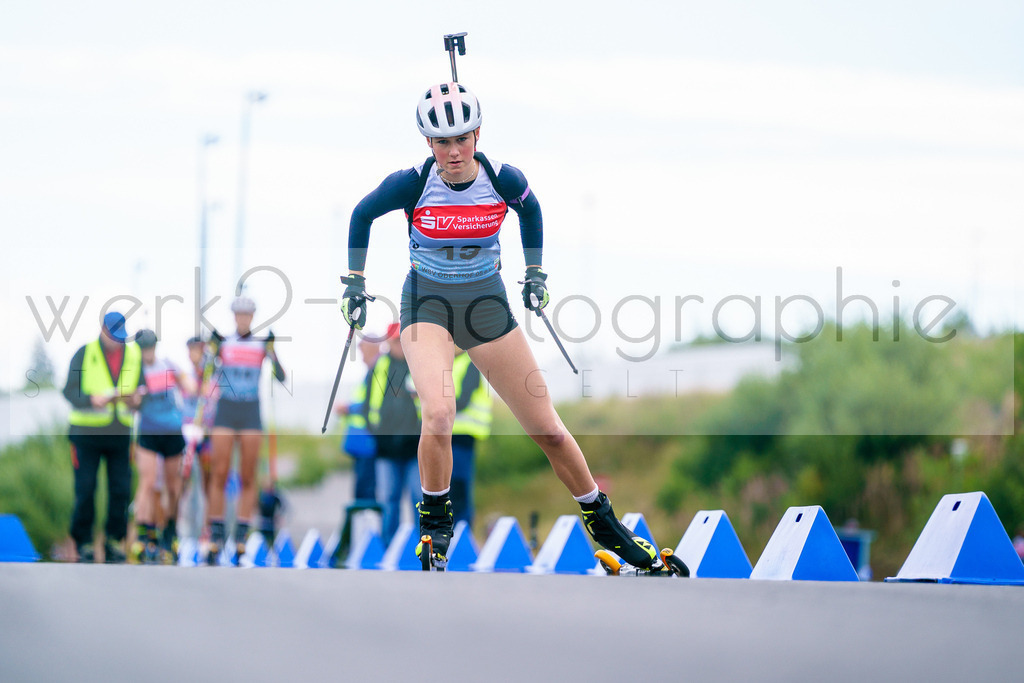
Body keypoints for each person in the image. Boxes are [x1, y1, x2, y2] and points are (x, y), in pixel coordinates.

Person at [340, 82, 657, 568]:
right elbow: (362, 214)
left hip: (486, 303)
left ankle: (604, 521)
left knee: (547, 429)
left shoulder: (503, 179)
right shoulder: (412, 182)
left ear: (478, 134)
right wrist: (355, 283)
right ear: (428, 143)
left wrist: (535, 272)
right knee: (439, 413)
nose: (453, 151)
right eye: (441, 142)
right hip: (427, 303)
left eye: (462, 139)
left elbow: (531, 210)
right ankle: (436, 521)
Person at [206, 296, 285, 564]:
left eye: (247, 314)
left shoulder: (260, 344)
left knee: (248, 475)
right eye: (239, 314)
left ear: (252, 316)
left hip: (251, 411)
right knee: (219, 471)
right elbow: (206, 372)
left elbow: (281, 376)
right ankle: (216, 534)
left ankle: (240, 535)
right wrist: (212, 351)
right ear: (233, 316)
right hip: (226, 409)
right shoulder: (224, 343)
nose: (243, 318)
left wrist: (272, 351)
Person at [62, 311, 143, 563]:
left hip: (119, 433)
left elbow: (140, 389)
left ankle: (113, 540)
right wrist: (90, 400)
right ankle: (83, 541)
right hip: (86, 434)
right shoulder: (84, 353)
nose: (116, 340)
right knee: (85, 488)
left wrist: (137, 400)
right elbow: (68, 391)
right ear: (102, 329)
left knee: (120, 488)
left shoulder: (134, 355)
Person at [130, 329, 196, 564]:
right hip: (148, 432)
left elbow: (188, 385)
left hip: (172, 431)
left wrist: (191, 384)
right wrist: (134, 398)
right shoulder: (134, 372)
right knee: (147, 482)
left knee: (173, 486)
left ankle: (170, 530)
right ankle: (144, 533)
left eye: (150, 347)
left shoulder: (168, 365)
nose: (147, 352)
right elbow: (130, 404)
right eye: (143, 347)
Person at [359, 323, 421, 545]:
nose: (400, 346)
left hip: (415, 450)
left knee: (418, 500)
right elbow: (367, 408)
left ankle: (422, 549)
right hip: (386, 451)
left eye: (403, 341)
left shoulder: (419, 366)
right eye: (396, 341)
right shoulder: (378, 368)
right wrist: (377, 436)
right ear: (389, 342)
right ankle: (389, 548)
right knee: (389, 501)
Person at [334, 335, 382, 502]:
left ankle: (367, 526)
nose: (361, 353)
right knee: (362, 489)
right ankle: (362, 525)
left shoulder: (379, 370)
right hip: (361, 443)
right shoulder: (370, 372)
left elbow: (377, 403)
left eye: (363, 349)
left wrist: (348, 408)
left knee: (366, 490)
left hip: (368, 441)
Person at [449, 350, 492, 529]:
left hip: (463, 436)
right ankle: (456, 534)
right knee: (450, 490)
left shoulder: (470, 363)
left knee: (459, 488)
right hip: (447, 436)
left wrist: (437, 405)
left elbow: (463, 400)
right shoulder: (448, 362)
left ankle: (463, 534)